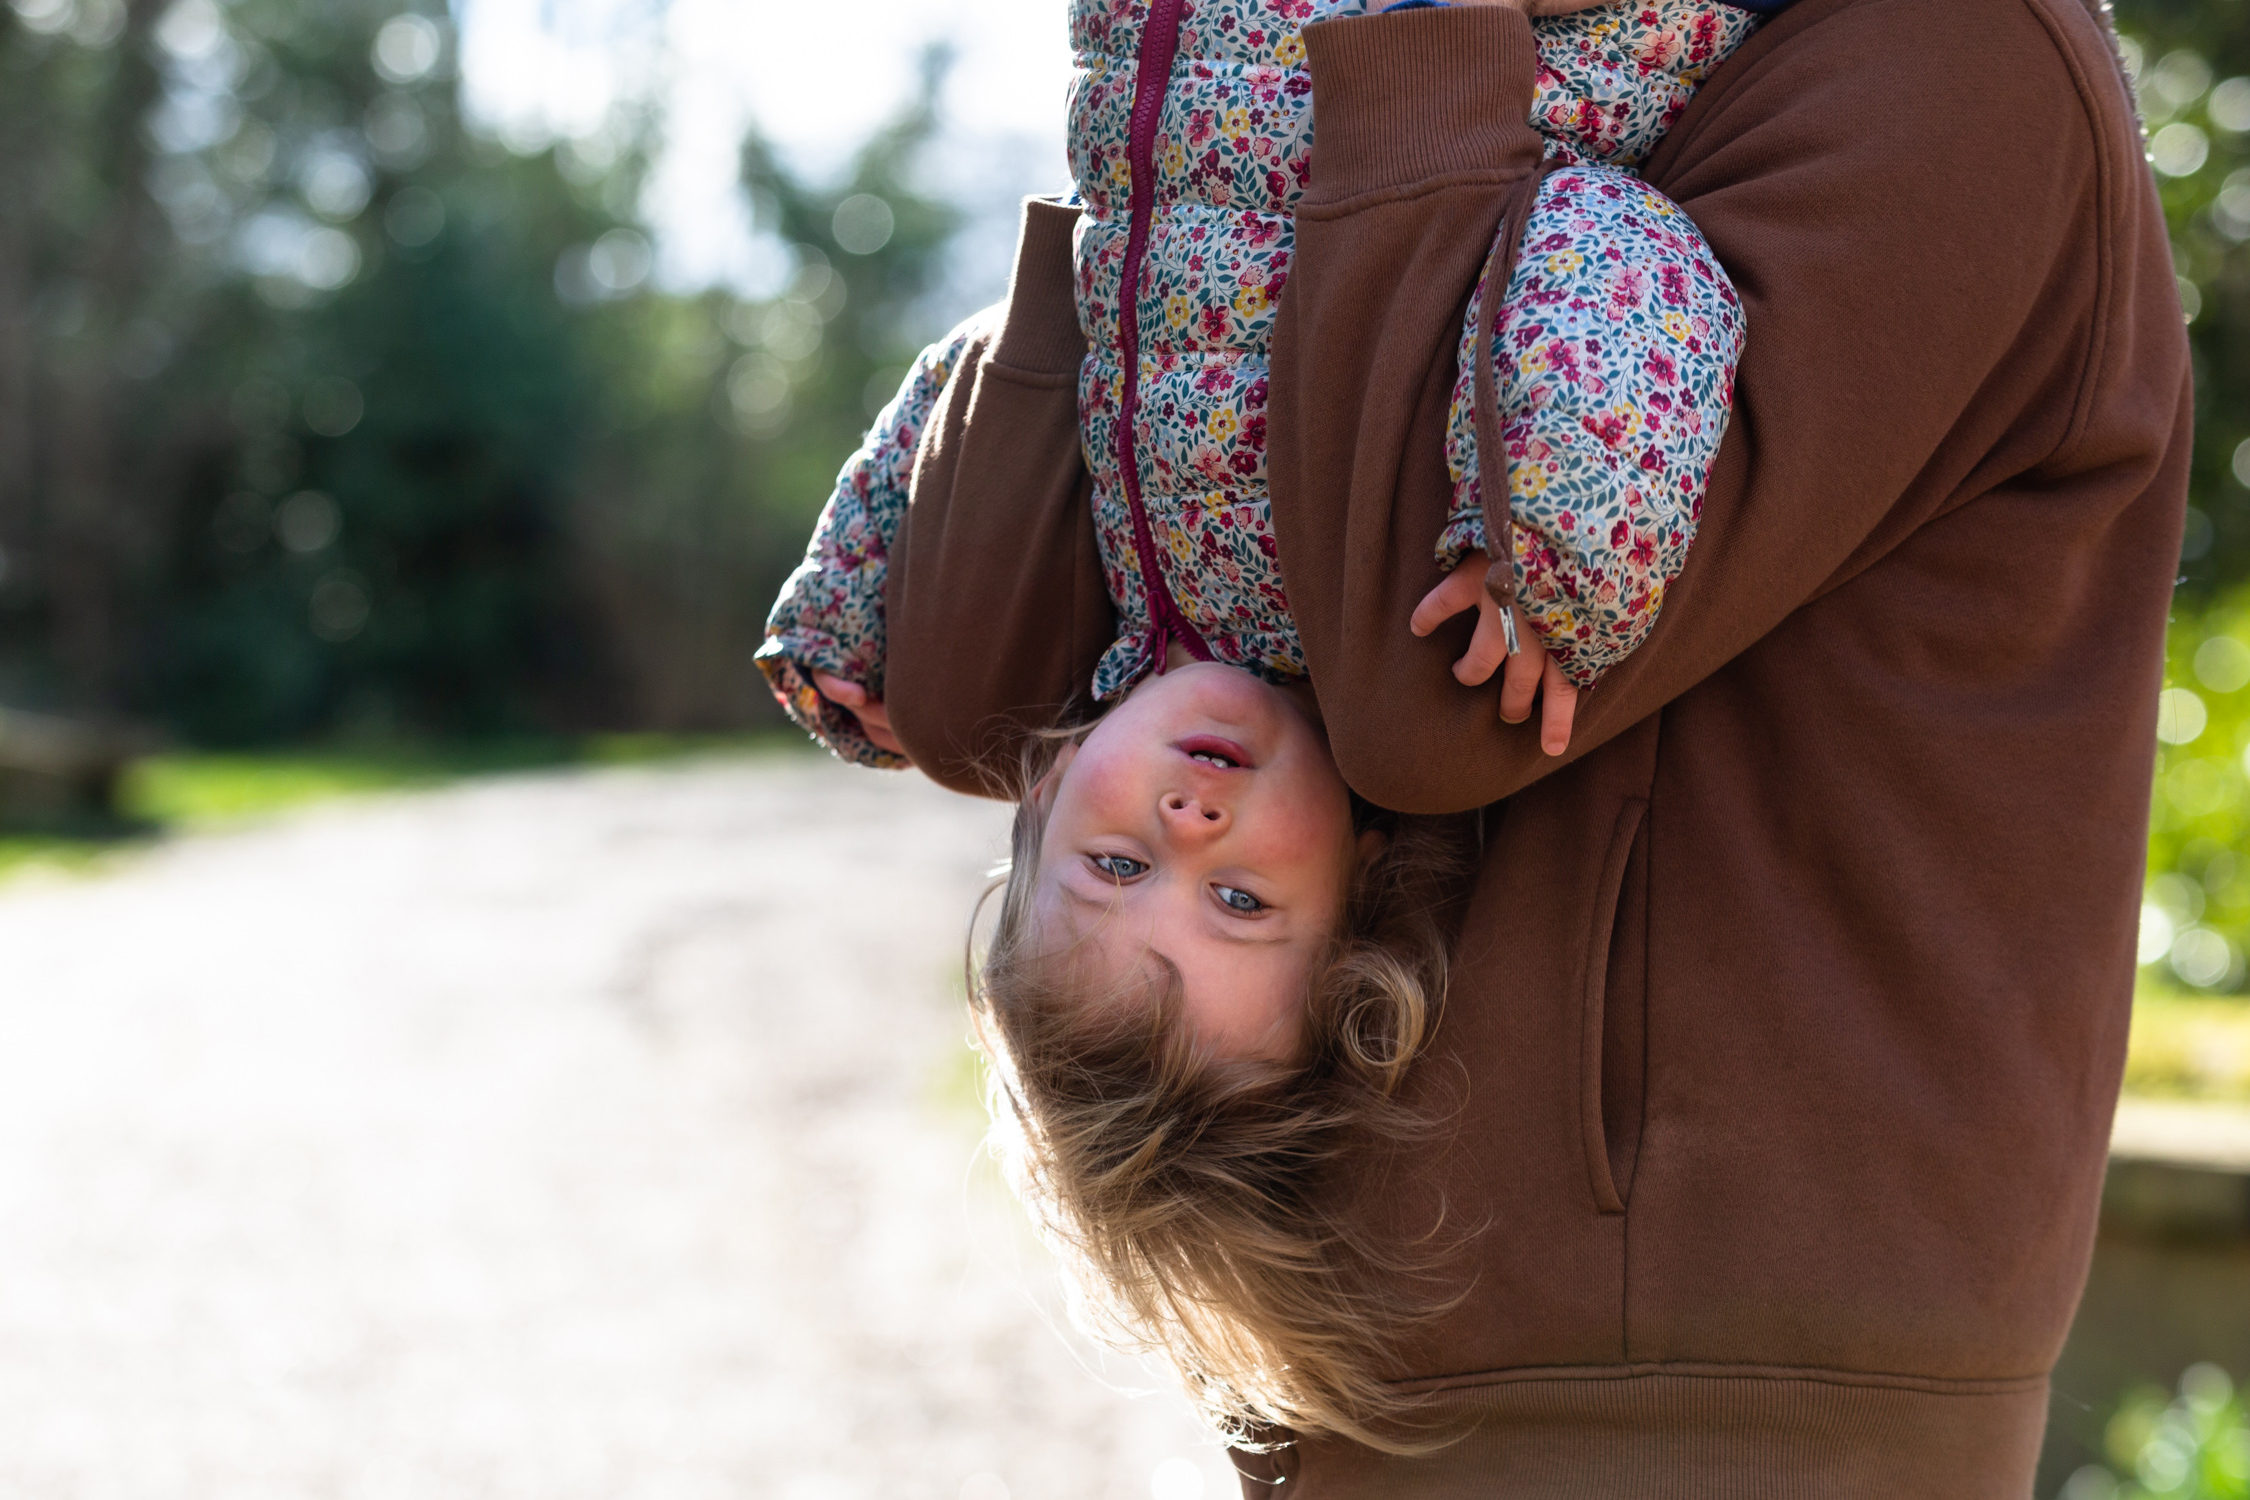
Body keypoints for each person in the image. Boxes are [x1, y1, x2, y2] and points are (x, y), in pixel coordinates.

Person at [875, 0, 2194, 1490]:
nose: (1184, 835)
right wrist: (1153, 188)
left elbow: (1407, 689)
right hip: (1483, 1387)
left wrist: (1213, 147)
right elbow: (980, 688)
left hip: (1718, 1398)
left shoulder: (1962, 65)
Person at [757, 0, 1767, 1451]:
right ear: (1357, 890)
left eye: (1109, 870)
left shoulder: (1124, 603)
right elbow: (1614, 247)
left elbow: (1046, 345)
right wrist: (1555, 544)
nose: (1184, 829)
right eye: (1237, 901)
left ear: (1040, 802)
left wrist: (860, 613)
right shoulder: (1404, 597)